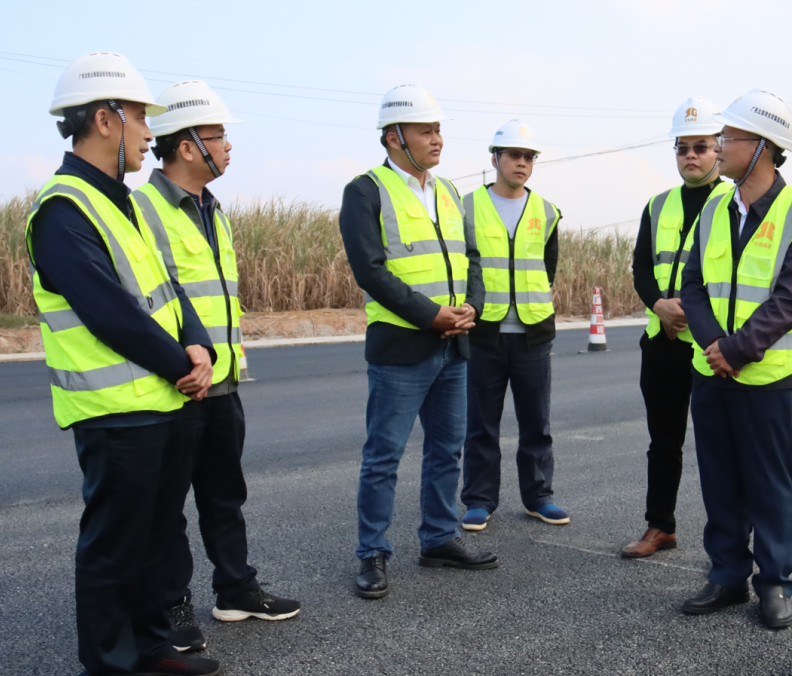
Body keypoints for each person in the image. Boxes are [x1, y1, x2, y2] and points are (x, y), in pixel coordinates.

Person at [26, 53, 223, 675]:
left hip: (160, 400)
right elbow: (108, 311)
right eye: (140, 117)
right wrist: (181, 364)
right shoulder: (63, 209)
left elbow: (169, 288)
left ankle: (151, 647)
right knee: (114, 546)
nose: (147, 131)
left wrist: (200, 346)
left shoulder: (124, 204)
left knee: (155, 537)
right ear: (105, 120)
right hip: (114, 411)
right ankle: (111, 663)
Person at [133, 80, 300, 653]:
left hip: (224, 381)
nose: (228, 146)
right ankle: (172, 607)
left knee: (225, 495)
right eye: (219, 136)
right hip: (176, 385)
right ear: (186, 146)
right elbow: (145, 300)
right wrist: (178, 365)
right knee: (168, 508)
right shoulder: (142, 210)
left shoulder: (213, 210)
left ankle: (236, 589)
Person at [339, 84, 498, 600]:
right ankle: (372, 553)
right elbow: (370, 270)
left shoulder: (448, 190)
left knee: (447, 450)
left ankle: (439, 538)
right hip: (402, 347)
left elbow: (470, 257)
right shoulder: (365, 191)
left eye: (438, 130)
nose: (437, 139)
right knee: (383, 456)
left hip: (454, 345)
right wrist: (431, 316)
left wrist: (472, 306)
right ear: (394, 137)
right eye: (426, 131)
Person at [680, 89, 792, 629]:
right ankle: (726, 576)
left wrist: (737, 350)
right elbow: (693, 285)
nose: (718, 145)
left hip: (767, 377)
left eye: (729, 136)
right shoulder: (713, 206)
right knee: (719, 483)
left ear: (762, 146)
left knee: (768, 487)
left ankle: (774, 584)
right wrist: (714, 347)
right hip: (711, 370)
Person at [622, 97, 733, 558]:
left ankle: (727, 545)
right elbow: (641, 268)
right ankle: (659, 527)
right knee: (664, 443)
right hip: (663, 341)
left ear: (718, 149)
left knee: (720, 447)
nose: (691, 155)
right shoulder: (658, 205)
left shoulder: (734, 201)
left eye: (700, 147)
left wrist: (691, 313)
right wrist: (659, 306)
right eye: (683, 148)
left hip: (712, 345)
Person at [459, 119, 566, 532]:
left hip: (533, 333)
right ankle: (479, 501)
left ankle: (539, 497)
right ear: (495, 159)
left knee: (537, 423)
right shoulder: (465, 207)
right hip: (483, 333)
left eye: (528, 157)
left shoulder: (547, 212)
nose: (521, 163)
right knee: (481, 424)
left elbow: (547, 268)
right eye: (514, 155)